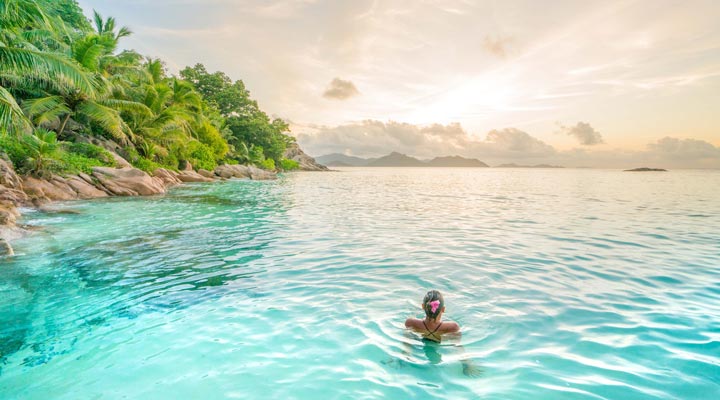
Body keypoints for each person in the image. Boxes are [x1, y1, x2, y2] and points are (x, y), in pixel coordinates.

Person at [401, 289, 482, 377]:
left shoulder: (411, 323)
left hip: (419, 343)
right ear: (443, 309)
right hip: (438, 343)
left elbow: (407, 345)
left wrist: (403, 358)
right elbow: (458, 347)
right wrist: (467, 365)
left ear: (423, 306)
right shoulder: (452, 327)